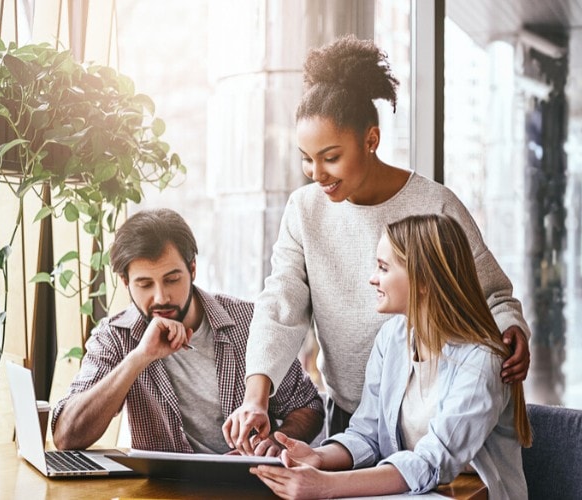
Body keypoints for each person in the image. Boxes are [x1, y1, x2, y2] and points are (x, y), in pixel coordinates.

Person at [223, 35, 531, 453]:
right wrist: (254, 398)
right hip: (357, 420)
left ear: (371, 139)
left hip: (434, 414)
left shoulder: (434, 205)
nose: (316, 172)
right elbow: (280, 306)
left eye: (330, 156)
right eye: (306, 157)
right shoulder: (304, 209)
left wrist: (510, 328)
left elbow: (492, 294)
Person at [251, 214, 532, 499]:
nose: (373, 279)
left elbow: (432, 462)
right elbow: (366, 434)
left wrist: (324, 486)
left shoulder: (483, 359)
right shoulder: (392, 338)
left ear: (424, 280)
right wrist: (317, 457)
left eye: (383, 268)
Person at [51, 208, 325, 456]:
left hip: (246, 487)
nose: (161, 297)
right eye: (145, 284)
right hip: (164, 493)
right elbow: (66, 436)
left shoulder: (249, 322)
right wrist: (139, 357)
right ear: (125, 282)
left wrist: (276, 442)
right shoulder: (114, 337)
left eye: (172, 279)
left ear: (192, 269)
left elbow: (308, 406)